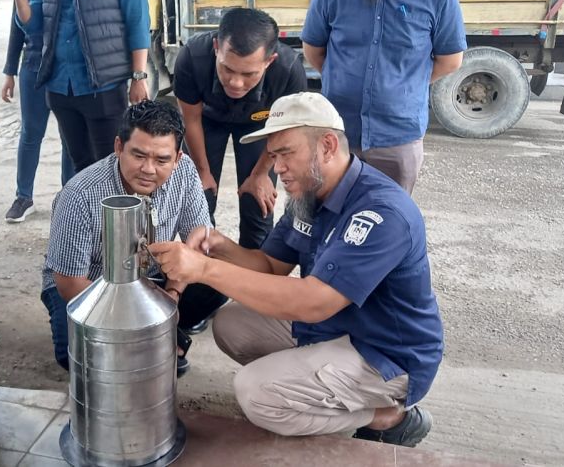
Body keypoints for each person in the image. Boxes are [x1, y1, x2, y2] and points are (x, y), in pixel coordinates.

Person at [149, 92, 443, 446]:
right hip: (337, 328)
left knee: (256, 393)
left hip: (386, 353)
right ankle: (313, 383)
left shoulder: (381, 213)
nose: (277, 168)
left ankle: (387, 416)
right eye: (273, 156)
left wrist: (204, 270)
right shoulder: (309, 194)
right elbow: (270, 266)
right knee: (231, 324)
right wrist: (219, 245)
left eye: (286, 153)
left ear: (328, 146)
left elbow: (313, 302)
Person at [40, 100, 227, 374]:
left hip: (154, 277)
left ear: (177, 158)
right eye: (138, 156)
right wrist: (139, 323)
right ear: (118, 147)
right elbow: (70, 283)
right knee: (74, 356)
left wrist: (173, 293)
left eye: (162, 160)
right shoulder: (80, 194)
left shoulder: (185, 172)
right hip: (92, 287)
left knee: (219, 276)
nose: (148, 169)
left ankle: (163, 337)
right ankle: (156, 344)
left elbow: (198, 245)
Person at [301, 0, 466, 194]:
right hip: (339, 136)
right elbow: (314, 51)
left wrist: (404, 85)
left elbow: (450, 60)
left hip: (397, 140)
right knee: (330, 221)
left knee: (388, 224)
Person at [7, 0, 152, 174]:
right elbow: (33, 24)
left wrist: (139, 76)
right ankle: (85, 216)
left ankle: (113, 216)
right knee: (80, 166)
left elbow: (138, 20)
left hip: (103, 87)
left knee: (111, 165)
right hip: (61, 88)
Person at [174, 8, 307, 249]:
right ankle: (201, 273)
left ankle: (251, 276)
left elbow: (285, 131)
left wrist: (259, 175)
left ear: (269, 62)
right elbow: (191, 119)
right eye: (227, 69)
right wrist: (203, 172)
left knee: (258, 202)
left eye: (249, 74)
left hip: (261, 125)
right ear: (216, 48)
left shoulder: (288, 70)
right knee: (200, 198)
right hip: (207, 121)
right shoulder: (192, 57)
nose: (236, 82)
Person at [2, 0, 74, 223]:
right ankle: (23, 196)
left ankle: (68, 196)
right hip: (33, 66)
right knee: (31, 133)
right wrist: (9, 71)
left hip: (64, 70)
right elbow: (17, 27)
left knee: (71, 136)